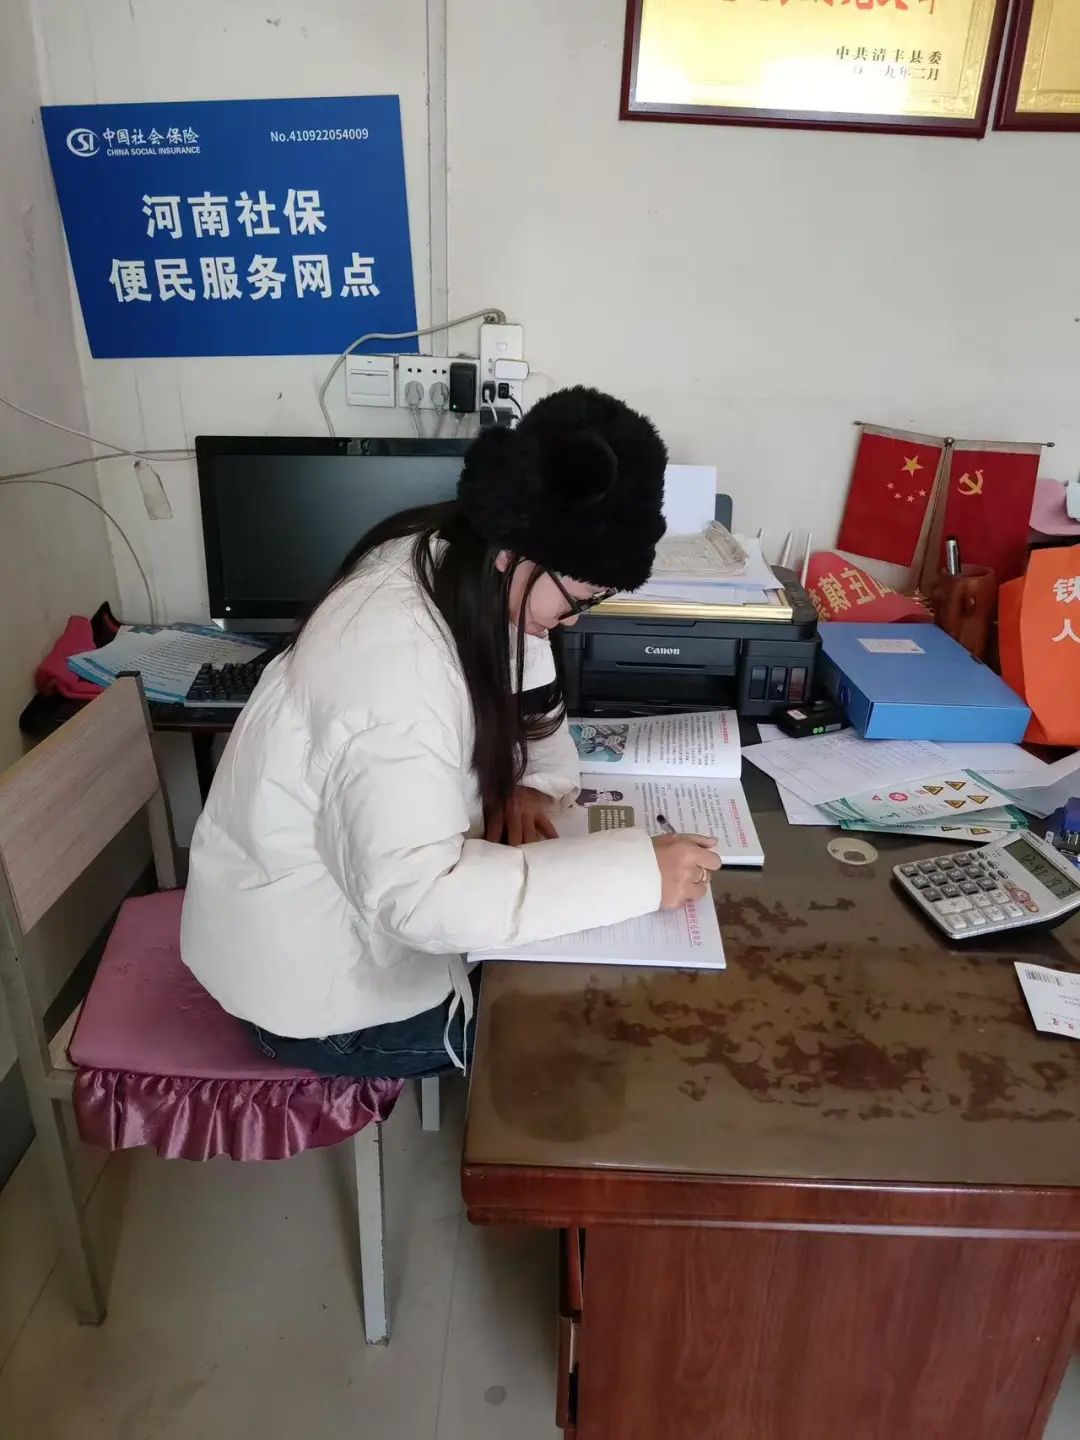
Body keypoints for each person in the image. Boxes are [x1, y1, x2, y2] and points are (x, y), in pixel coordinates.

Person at [180, 387, 721, 1077]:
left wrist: (530, 786)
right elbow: (419, 897)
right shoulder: (393, 665)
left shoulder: (468, 570)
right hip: (320, 995)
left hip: (356, 930)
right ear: (515, 552)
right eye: (581, 598)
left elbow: (537, 722)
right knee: (606, 1034)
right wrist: (640, 874)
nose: (573, 620)